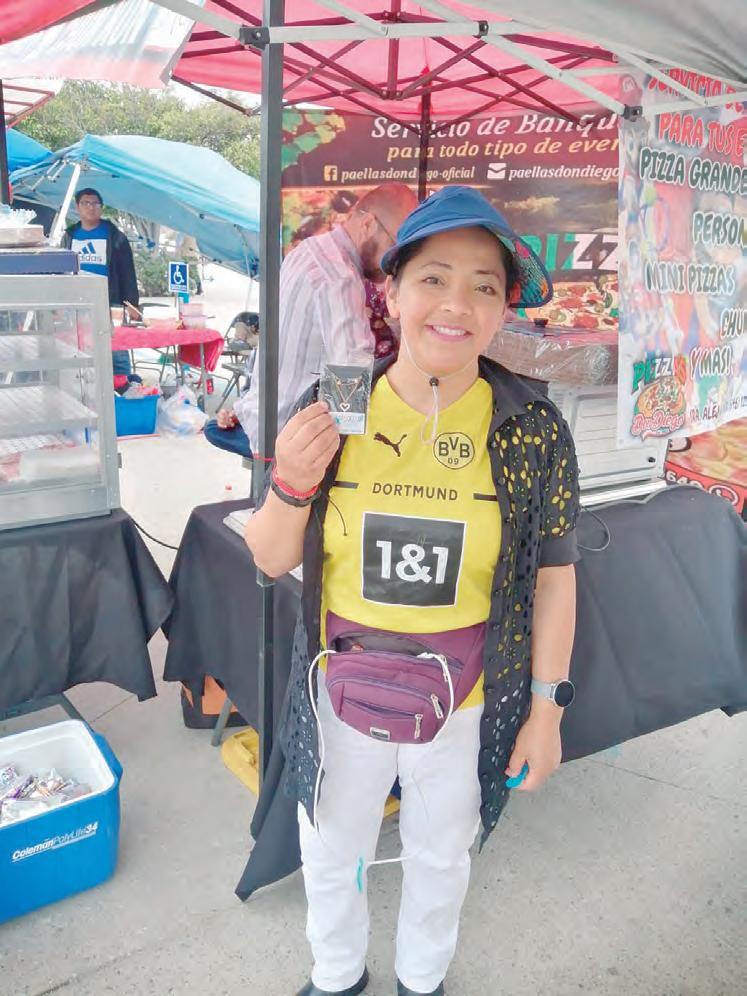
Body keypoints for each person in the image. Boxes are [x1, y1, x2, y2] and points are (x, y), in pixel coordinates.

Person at [245, 186, 581, 996]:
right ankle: (336, 976)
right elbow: (268, 558)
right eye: (432, 278)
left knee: (441, 852)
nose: (456, 304)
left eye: (482, 286)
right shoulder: (334, 406)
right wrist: (290, 484)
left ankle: (421, 980)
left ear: (502, 311)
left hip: (468, 698)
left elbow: (553, 578)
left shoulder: (530, 426)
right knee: (332, 846)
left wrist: (545, 713)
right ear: (390, 293)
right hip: (340, 685)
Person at [208, 184, 418, 458]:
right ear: (368, 224)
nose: (392, 263)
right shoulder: (339, 277)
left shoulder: (307, 249)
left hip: (260, 416)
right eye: (394, 247)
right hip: (291, 439)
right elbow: (349, 382)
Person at [63, 187, 139, 378]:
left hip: (109, 303)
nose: (91, 207)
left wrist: (132, 304)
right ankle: (87, 384)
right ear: (77, 206)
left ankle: (123, 385)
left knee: (116, 350)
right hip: (78, 304)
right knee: (81, 347)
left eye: (95, 203)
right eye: (86, 203)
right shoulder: (69, 236)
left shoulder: (114, 236)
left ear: (101, 207)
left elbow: (127, 272)